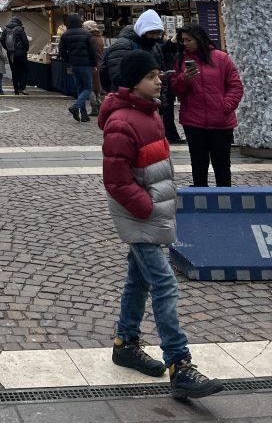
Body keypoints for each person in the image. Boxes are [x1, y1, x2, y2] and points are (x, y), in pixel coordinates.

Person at [99, 50, 223, 400]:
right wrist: (146, 208)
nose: (160, 80)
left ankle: (126, 342)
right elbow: (117, 179)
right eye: (153, 75)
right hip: (140, 216)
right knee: (165, 285)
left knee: (137, 281)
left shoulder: (149, 113)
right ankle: (180, 364)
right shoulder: (123, 121)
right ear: (134, 81)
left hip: (151, 213)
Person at [171, 25, 243, 187]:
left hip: (221, 122)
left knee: (222, 166)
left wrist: (225, 106)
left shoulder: (221, 58)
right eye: (183, 40)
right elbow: (176, 89)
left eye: (189, 40)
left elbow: (235, 86)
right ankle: (201, 200)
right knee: (198, 165)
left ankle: (225, 201)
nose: (185, 43)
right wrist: (184, 79)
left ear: (199, 38)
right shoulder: (181, 60)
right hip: (193, 122)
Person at [101, 9, 184, 144]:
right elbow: (118, 77)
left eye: (158, 33)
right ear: (142, 30)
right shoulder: (123, 45)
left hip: (148, 103)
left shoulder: (153, 45)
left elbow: (158, 62)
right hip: (130, 104)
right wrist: (145, 81)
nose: (155, 37)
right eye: (152, 33)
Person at [58, 14, 97, 122]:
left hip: (74, 64)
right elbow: (92, 51)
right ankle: (75, 107)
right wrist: (94, 64)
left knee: (80, 88)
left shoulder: (65, 35)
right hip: (86, 64)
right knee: (88, 88)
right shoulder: (86, 34)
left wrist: (69, 60)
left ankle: (84, 115)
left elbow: (61, 52)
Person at [83, 20, 105, 116]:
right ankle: (98, 106)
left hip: (93, 65)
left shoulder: (91, 39)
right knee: (97, 87)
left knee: (91, 87)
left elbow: (92, 53)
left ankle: (95, 107)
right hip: (99, 64)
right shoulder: (99, 37)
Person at [4, 13, 30, 94]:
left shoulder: (5, 29)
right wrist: (25, 50)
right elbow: (25, 41)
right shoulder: (20, 29)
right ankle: (22, 87)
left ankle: (16, 90)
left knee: (14, 71)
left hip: (11, 54)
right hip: (21, 54)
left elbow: (2, 41)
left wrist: (8, 49)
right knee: (25, 70)